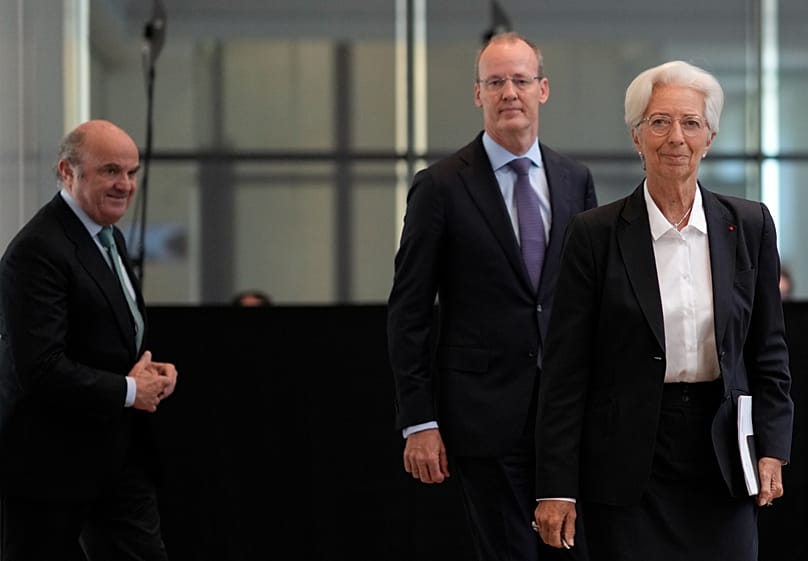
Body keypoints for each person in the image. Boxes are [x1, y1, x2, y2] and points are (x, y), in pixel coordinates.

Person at [532, 60, 794, 561]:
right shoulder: (595, 235)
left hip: (722, 450)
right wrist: (556, 486)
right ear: (637, 136)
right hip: (628, 459)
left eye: (691, 123)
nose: (676, 137)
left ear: (710, 136)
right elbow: (565, 372)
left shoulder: (750, 225)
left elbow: (769, 351)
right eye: (659, 122)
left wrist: (774, 446)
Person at [387, 32, 597, 561]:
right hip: (484, 416)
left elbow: (589, 301)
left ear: (543, 89)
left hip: (569, 418)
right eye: (495, 82)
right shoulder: (439, 186)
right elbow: (409, 311)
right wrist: (420, 419)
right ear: (477, 94)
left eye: (521, 80)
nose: (509, 92)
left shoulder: (576, 180)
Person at [0, 119, 179, 560]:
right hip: (51, 467)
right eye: (111, 171)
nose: (125, 185)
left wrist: (144, 372)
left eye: (132, 173)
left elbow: (104, 336)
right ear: (67, 171)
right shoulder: (38, 249)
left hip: (116, 457)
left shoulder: (106, 235)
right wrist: (132, 389)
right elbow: (40, 367)